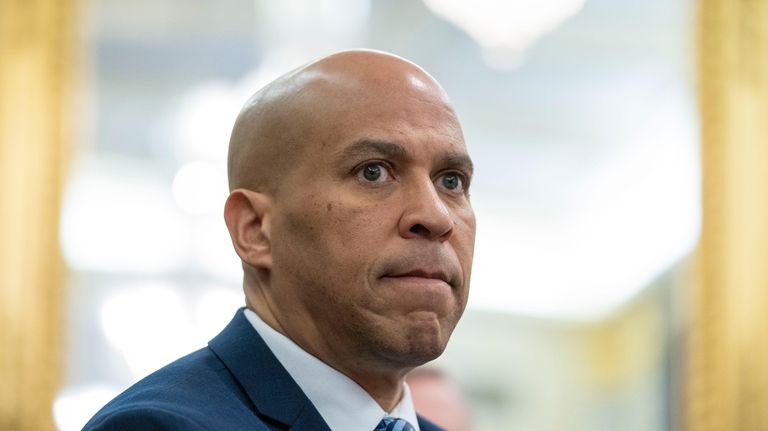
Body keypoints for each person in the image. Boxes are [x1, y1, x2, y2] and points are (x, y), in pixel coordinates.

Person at [83, 49, 476, 431]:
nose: (436, 216)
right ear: (254, 229)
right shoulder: (158, 426)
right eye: (373, 172)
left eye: (451, 180)